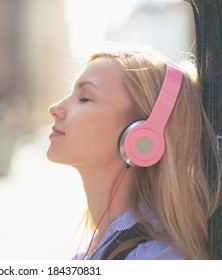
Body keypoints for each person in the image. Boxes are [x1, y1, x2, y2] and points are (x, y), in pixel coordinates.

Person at [47, 44, 221, 260]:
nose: (54, 108)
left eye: (84, 98)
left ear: (142, 138)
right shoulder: (95, 252)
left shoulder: (154, 261)